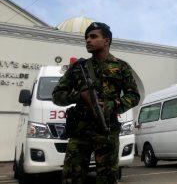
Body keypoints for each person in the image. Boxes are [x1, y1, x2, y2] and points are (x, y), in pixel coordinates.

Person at [52, 22, 141, 184]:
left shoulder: (121, 67)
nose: (88, 40)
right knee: (71, 177)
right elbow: (57, 96)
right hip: (80, 131)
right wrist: (80, 96)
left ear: (106, 40)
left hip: (106, 130)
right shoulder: (78, 68)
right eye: (86, 37)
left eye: (93, 36)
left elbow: (134, 96)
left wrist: (111, 105)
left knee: (107, 178)